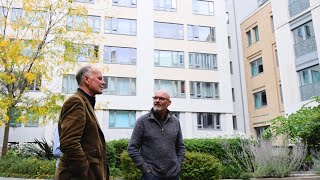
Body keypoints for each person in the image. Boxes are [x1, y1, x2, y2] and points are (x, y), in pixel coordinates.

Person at [55, 65, 109, 180]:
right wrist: (83, 171)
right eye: (99, 78)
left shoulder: (86, 103)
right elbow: (69, 142)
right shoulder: (76, 102)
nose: (103, 83)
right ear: (87, 80)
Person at [128, 90, 186, 180]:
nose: (157, 100)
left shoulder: (175, 121)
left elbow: (181, 147)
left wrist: (178, 165)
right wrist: (145, 169)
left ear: (169, 103)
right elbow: (132, 148)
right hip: (151, 175)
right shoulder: (142, 121)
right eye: (155, 98)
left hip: (173, 175)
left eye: (161, 98)